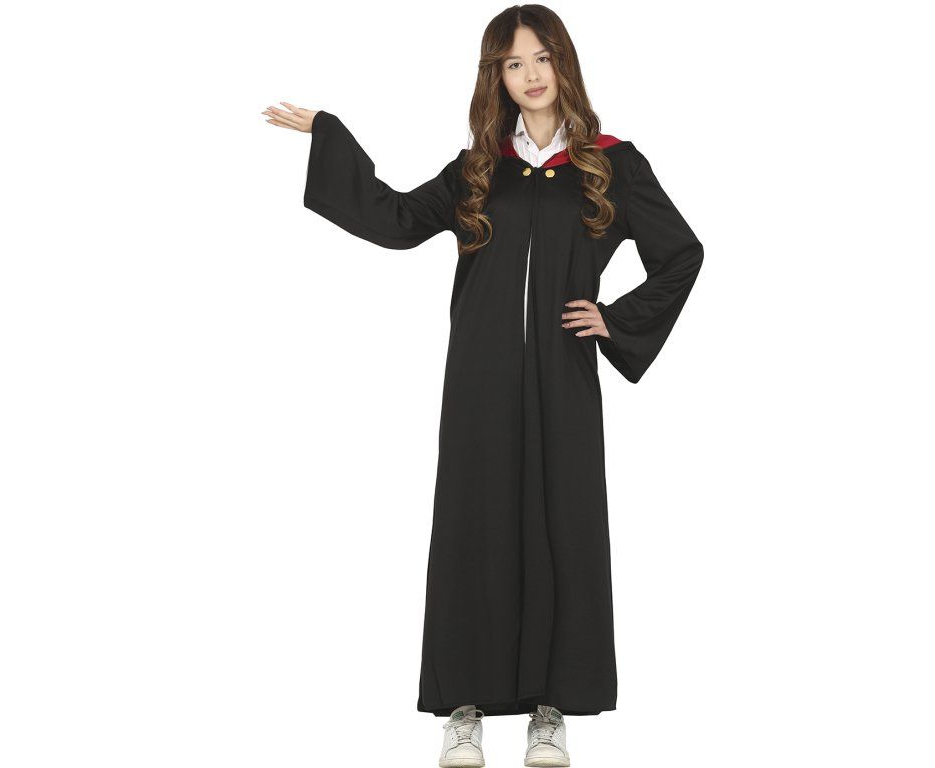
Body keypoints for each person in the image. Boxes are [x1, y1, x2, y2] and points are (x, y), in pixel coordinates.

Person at [263, 5, 704, 767]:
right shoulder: (478, 167)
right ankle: (463, 707)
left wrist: (615, 319)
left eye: (542, 58)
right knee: (477, 522)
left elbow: (681, 253)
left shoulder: (611, 163)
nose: (531, 75)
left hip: (563, 371)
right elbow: (395, 218)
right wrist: (330, 135)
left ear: (564, 63)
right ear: (495, 76)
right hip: (480, 373)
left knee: (563, 523)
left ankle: (550, 709)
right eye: (513, 63)